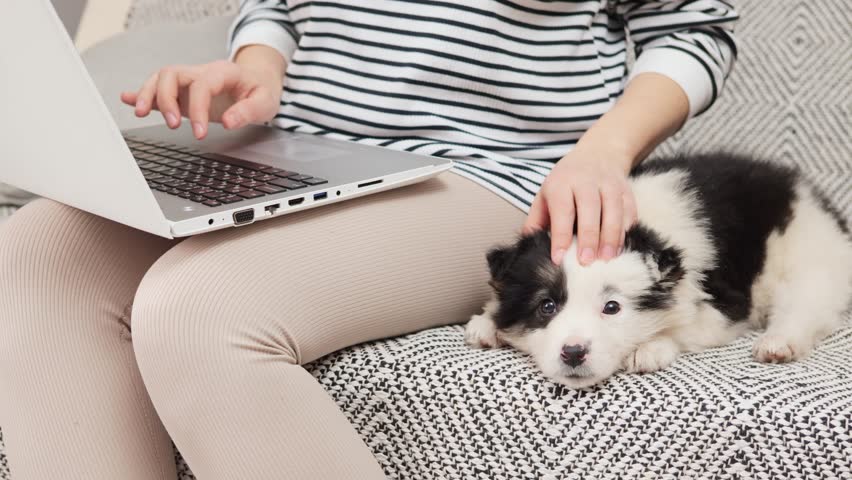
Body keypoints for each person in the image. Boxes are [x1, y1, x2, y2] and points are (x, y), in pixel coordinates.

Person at [0, 1, 738, 478]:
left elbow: (693, 27)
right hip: (294, 148)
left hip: (491, 171)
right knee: (36, 255)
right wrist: (257, 65)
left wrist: (604, 150)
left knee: (198, 309)